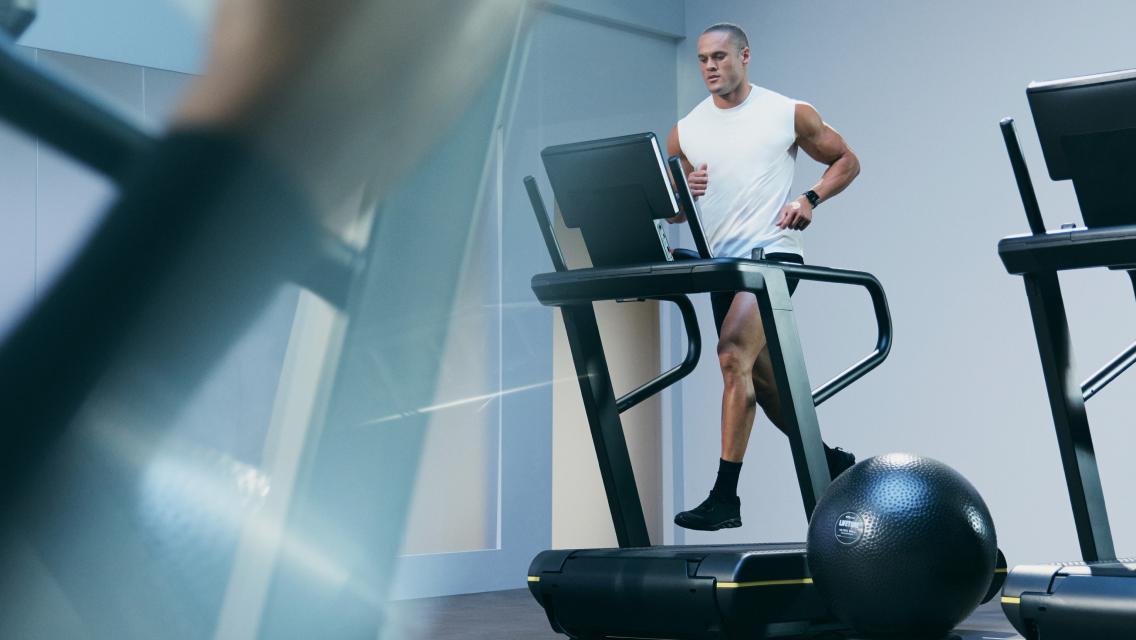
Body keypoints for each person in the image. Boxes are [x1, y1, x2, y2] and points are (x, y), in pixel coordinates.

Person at [668, 22, 861, 531]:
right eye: (703, 60)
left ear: (744, 56)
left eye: (719, 57)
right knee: (765, 383)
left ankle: (725, 496)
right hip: (720, 266)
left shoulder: (785, 112)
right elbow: (670, 210)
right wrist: (682, 189)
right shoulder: (686, 129)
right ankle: (831, 461)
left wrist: (810, 199)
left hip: (772, 257)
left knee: (732, 354)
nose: (710, 66)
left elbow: (846, 159)